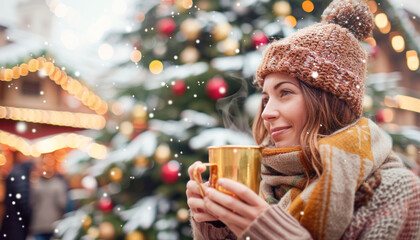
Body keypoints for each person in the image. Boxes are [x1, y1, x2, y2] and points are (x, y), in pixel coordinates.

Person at [186, 0, 420, 239]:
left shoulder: (395, 191)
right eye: (266, 99)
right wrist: (217, 225)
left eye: (285, 92)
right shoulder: (265, 186)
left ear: (329, 102)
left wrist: (268, 230)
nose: (266, 113)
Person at [0, 152, 34, 240]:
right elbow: (23, 200)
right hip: (16, 220)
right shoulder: (20, 175)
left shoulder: (16, 172)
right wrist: (29, 216)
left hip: (13, 218)